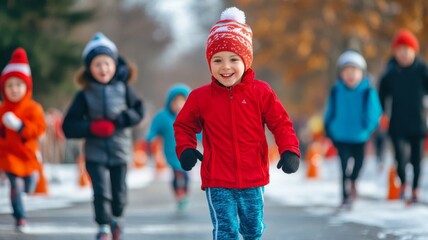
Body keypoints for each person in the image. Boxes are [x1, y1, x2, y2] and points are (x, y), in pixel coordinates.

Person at [174, 7, 300, 240]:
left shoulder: (261, 92)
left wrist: (290, 150)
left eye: (234, 59)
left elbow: (281, 123)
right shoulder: (201, 98)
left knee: (253, 230)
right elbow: (183, 125)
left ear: (246, 61)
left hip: (253, 178)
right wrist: (186, 148)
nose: (225, 67)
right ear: (209, 63)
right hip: (217, 180)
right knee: (226, 231)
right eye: (217, 60)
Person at [62, 32, 144, 240]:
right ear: (89, 68)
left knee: (118, 194)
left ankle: (117, 219)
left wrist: (122, 120)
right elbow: (68, 126)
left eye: (107, 63)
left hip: (120, 149)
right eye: (97, 64)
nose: (103, 69)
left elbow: (139, 111)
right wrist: (91, 127)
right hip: (95, 151)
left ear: (115, 65)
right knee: (100, 192)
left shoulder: (124, 89)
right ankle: (103, 227)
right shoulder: (85, 94)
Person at [324, 50, 382, 209]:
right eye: (347, 71)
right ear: (341, 74)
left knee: (358, 164)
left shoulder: (367, 90)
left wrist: (368, 128)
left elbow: (375, 111)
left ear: (361, 73)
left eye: (354, 71)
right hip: (340, 135)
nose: (350, 75)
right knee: (343, 166)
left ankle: (353, 181)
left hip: (360, 136)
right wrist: (327, 126)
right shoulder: (336, 90)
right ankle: (345, 196)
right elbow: (330, 109)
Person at [378, 29, 428, 205]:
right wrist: (383, 112)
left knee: (416, 159)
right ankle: (403, 184)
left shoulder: (422, 69)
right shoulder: (391, 72)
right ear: (395, 52)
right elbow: (382, 93)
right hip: (397, 122)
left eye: (408, 50)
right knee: (400, 157)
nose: (404, 54)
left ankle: (414, 189)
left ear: (414, 50)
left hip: (417, 121)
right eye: (400, 50)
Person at [0, 48, 47, 232]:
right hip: (9, 156)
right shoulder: (2, 110)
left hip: (28, 156)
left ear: (27, 87)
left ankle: (28, 188)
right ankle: (20, 217)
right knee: (16, 186)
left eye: (18, 85)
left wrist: (20, 126)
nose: (14, 89)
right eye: (9, 86)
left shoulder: (33, 108)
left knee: (28, 185)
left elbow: (39, 129)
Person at [146, 83, 197, 213]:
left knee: (185, 175)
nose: (179, 105)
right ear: (170, 102)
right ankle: (179, 194)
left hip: (188, 150)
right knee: (176, 174)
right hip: (171, 151)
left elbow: (201, 130)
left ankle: (184, 192)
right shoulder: (163, 117)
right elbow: (154, 128)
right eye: (176, 102)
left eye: (182, 101)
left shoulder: (191, 116)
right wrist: (149, 138)